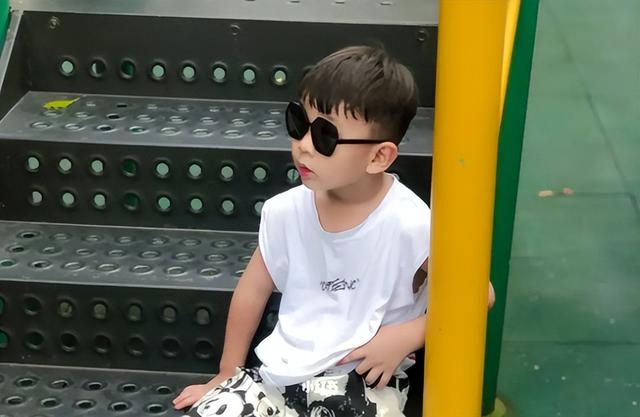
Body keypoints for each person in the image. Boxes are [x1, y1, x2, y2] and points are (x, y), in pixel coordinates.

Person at [173, 45, 495, 417]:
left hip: (362, 382)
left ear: (378, 157)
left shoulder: (409, 222)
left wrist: (408, 336)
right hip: (278, 375)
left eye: (325, 136)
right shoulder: (286, 211)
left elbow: (478, 296)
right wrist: (228, 373)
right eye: (299, 124)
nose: (303, 146)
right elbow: (253, 289)